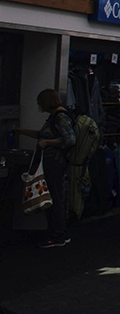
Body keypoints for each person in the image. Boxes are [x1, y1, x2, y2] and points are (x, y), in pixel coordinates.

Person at [16, 89, 76, 248]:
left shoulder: (60, 117)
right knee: (55, 196)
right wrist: (23, 131)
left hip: (54, 162)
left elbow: (70, 139)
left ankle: (57, 235)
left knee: (53, 197)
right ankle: (59, 233)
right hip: (54, 161)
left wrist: (47, 143)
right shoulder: (57, 117)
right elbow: (46, 135)